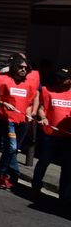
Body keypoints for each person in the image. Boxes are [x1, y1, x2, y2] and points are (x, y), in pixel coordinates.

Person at [0, 58, 39, 190]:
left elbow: (30, 101)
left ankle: (5, 171)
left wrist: (31, 113)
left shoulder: (30, 83)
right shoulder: (1, 80)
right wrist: (2, 103)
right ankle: (2, 173)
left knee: (13, 149)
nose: (23, 70)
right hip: (7, 120)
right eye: (21, 67)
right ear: (14, 68)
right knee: (11, 148)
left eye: (26, 68)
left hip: (23, 121)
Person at [33, 66, 71, 208]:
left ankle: (64, 196)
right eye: (58, 77)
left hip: (68, 138)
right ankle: (36, 185)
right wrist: (43, 118)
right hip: (51, 135)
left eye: (63, 78)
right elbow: (42, 109)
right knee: (44, 161)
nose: (60, 80)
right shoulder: (47, 90)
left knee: (67, 167)